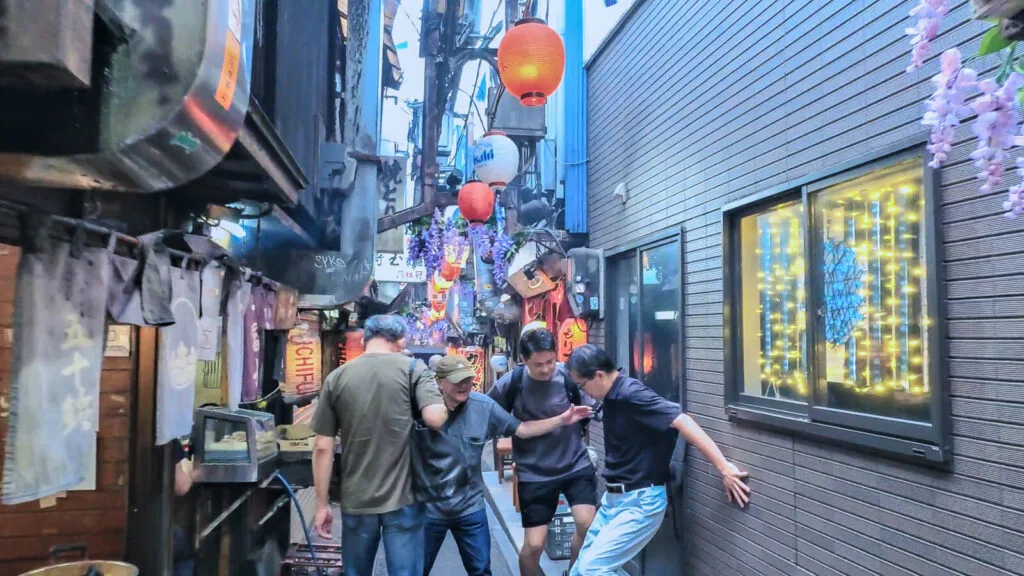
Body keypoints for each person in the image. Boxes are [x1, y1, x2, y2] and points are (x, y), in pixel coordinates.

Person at [565, 345, 751, 576]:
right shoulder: (611, 396)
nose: (584, 392)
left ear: (599, 375)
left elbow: (682, 421)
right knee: (580, 571)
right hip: (614, 500)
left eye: (582, 385)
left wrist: (724, 468)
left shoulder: (631, 393)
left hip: (640, 501)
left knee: (592, 569)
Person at [425, 354, 593, 576]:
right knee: (416, 569)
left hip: (470, 508)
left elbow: (522, 429)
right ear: (439, 382)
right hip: (427, 509)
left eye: (467, 379)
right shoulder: (421, 408)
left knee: (481, 571)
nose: (464, 385)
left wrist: (562, 419)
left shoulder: (482, 406)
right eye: (458, 381)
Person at [311, 314, 448, 576]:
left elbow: (322, 448)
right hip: (404, 497)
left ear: (365, 339)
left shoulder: (337, 377)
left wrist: (321, 504)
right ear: (401, 340)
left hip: (357, 497)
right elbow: (435, 418)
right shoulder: (414, 369)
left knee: (356, 572)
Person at [487, 328, 598, 576]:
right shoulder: (512, 382)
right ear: (524, 360)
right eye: (538, 364)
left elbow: (593, 403)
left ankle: (573, 572)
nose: (546, 369)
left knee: (587, 524)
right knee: (534, 545)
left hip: (575, 463)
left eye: (550, 361)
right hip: (534, 472)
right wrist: (514, 427)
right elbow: (489, 412)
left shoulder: (568, 376)